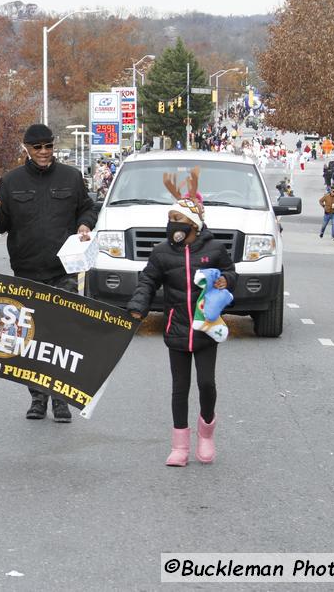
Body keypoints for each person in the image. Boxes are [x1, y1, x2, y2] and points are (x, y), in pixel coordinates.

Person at [0, 123, 96, 423]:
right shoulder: (12, 181)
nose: (44, 152)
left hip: (63, 271)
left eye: (48, 146)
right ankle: (37, 398)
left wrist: (85, 224)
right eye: (37, 148)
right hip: (27, 271)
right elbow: (1, 224)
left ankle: (61, 400)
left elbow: (87, 207)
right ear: (26, 149)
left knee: (61, 335)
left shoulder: (71, 177)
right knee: (30, 337)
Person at [127, 171, 237, 466]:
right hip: (176, 327)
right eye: (170, 218)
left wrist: (226, 279)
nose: (172, 224)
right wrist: (138, 306)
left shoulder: (213, 249)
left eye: (178, 219)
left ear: (193, 225)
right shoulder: (162, 252)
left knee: (206, 384)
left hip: (205, 327)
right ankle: (179, 446)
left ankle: (206, 432)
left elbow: (231, 271)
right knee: (179, 387)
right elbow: (147, 281)